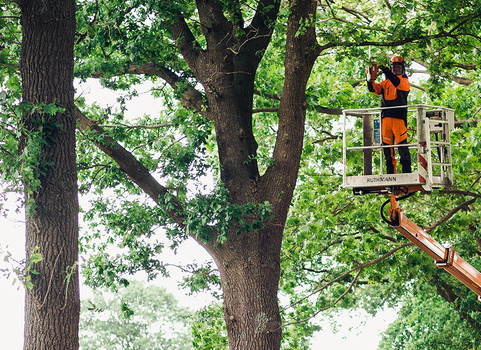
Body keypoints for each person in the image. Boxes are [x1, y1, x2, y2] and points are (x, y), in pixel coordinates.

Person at [367, 56, 411, 174]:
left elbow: (397, 83)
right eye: (394, 67)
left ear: (402, 69)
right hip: (385, 119)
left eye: (398, 67)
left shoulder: (405, 82)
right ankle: (390, 174)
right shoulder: (384, 83)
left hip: (399, 119)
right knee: (387, 149)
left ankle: (406, 172)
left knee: (402, 146)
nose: (396, 69)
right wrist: (369, 79)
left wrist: (386, 70)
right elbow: (373, 89)